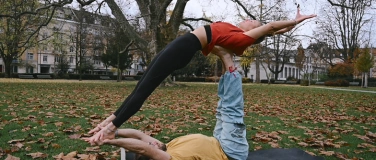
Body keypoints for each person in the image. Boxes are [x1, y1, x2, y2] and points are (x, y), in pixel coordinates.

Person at [85, 7, 316, 149]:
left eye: (254, 23)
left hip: (185, 47)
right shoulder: (237, 33)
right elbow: (273, 29)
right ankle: (106, 123)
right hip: (183, 45)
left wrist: (295, 22)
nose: (248, 20)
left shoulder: (243, 39)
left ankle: (110, 129)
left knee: (143, 91)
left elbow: (270, 27)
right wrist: (287, 26)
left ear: (254, 30)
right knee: (139, 88)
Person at [84, 46, 249, 160]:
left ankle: (225, 58)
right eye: (151, 145)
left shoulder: (165, 146)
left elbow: (139, 136)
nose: (151, 141)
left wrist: (113, 131)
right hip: (230, 152)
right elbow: (143, 148)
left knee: (222, 108)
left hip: (218, 140)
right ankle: (228, 60)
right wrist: (110, 141)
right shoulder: (170, 157)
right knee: (231, 110)